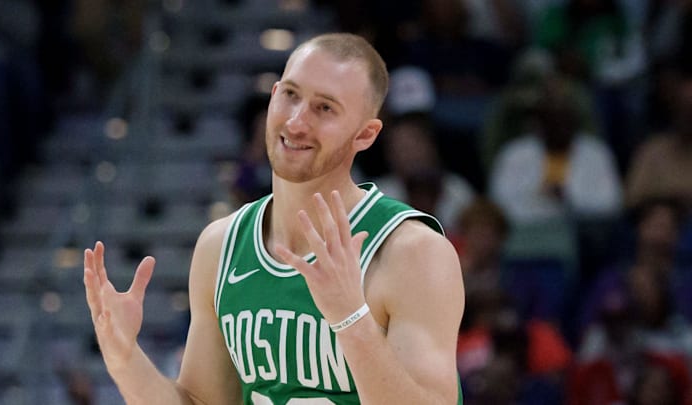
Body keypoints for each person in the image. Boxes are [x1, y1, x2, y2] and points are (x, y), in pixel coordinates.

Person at [83, 33, 465, 404]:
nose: (297, 122)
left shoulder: (413, 253)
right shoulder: (221, 246)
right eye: (291, 95)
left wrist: (352, 319)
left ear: (365, 134)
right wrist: (124, 359)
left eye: (325, 108)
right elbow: (202, 401)